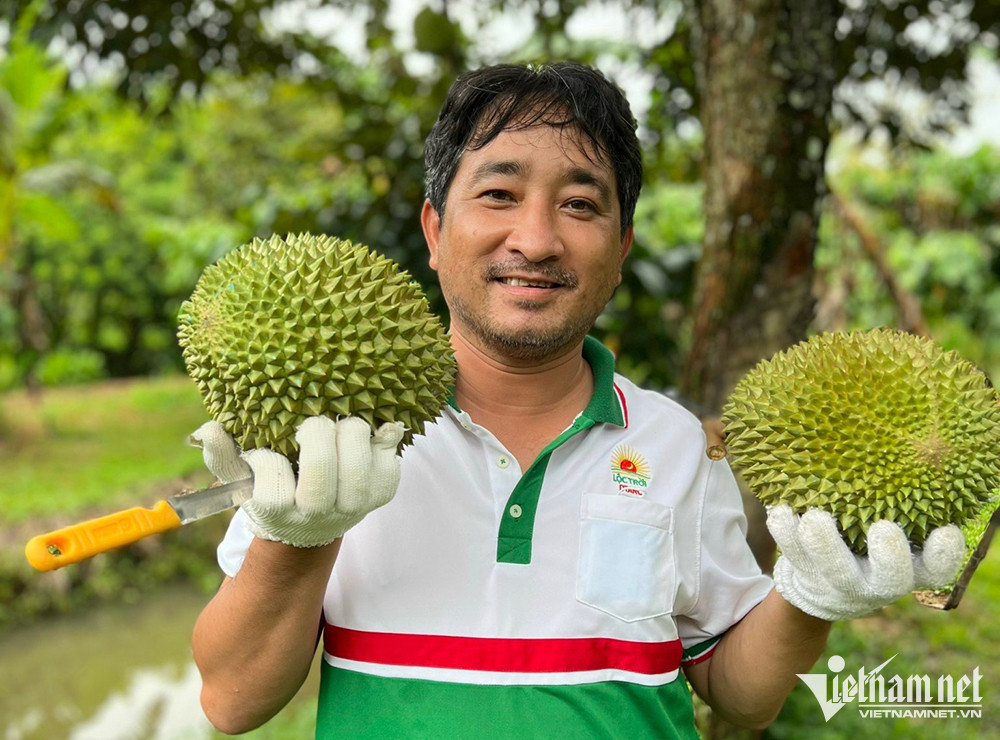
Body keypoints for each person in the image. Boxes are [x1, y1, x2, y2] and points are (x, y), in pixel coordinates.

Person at [189, 62, 966, 738]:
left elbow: (740, 695)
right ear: (433, 229)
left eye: (581, 205)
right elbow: (232, 700)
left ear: (622, 248)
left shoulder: (677, 446)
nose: (535, 239)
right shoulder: (334, 435)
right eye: (498, 193)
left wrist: (809, 597)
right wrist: (297, 539)